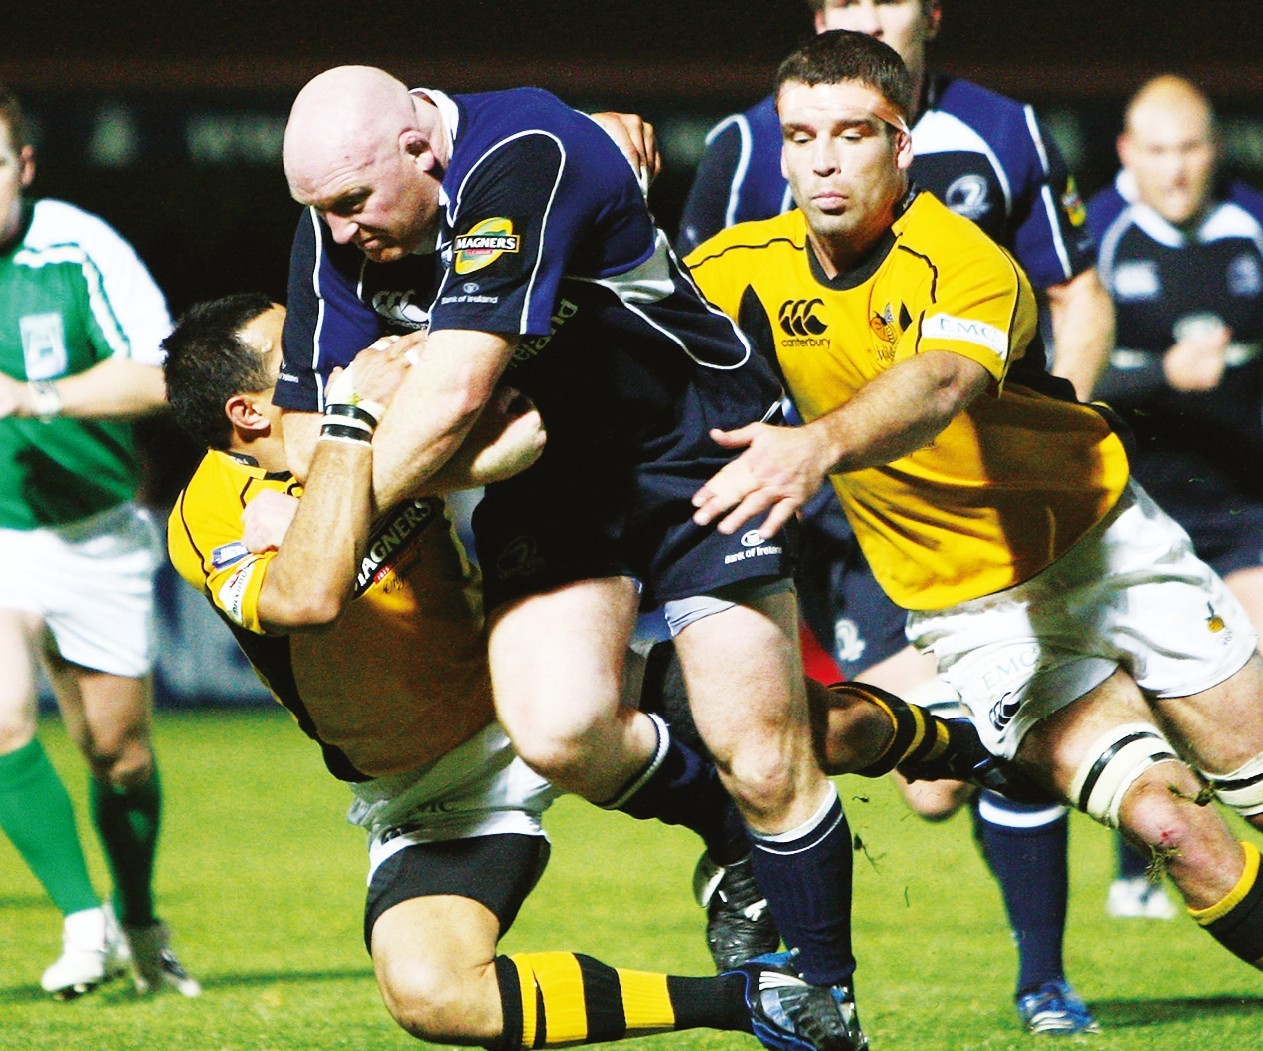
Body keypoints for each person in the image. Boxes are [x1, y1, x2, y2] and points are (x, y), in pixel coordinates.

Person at [162, 293, 1001, 1051]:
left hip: (523, 674)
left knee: (801, 730)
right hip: (432, 788)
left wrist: (405, 462)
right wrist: (356, 455)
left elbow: (515, 427)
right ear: (246, 409)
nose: (328, 351)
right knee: (432, 994)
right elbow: (302, 595)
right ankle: (748, 998)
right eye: (295, 351)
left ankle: (962, 746)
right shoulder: (210, 513)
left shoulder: (378, 414)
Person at [686, 24, 1263, 1027]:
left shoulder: (963, 258)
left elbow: (941, 382)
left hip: (1105, 545)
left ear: (900, 145)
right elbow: (618, 318)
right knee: (1173, 830)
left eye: (853, 134)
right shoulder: (741, 263)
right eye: (802, 136)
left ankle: (943, 737)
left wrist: (818, 444)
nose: (824, 160)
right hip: (973, 611)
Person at [0, 84, 199, 999]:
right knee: (4, 717)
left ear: (24, 166)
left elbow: (163, 374)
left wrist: (35, 397)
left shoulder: (76, 246)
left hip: (97, 534)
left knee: (119, 758)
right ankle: (85, 922)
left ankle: (140, 919)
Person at [1088, 74, 1263, 922]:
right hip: (1136, 509)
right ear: (1128, 153)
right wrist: (1161, 372)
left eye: (1190, 148)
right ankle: (1144, 859)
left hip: (1240, 503)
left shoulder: (1251, 224)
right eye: (1157, 151)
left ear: (1215, 148)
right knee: (1157, 696)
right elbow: (1067, 369)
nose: (1176, 169)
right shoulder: (1096, 234)